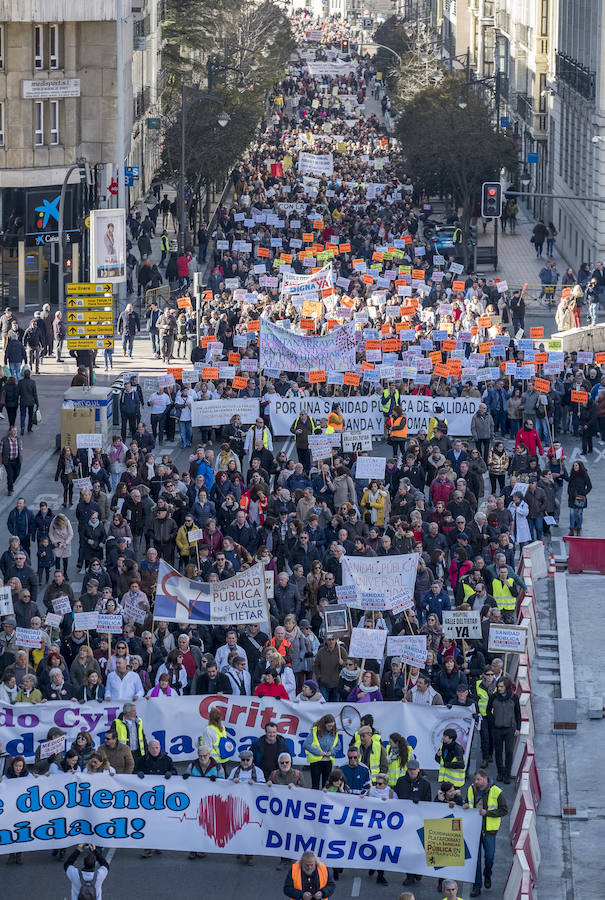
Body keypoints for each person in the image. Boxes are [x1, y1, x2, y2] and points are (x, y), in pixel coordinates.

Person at [464, 768, 508, 896]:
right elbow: (468, 803)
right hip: (474, 831)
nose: (476, 782)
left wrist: (488, 813)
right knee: (475, 861)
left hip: (489, 832)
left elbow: (504, 810)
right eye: (475, 779)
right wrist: (465, 805)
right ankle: (477, 886)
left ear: (485, 778)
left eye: (478, 779)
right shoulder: (471, 789)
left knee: (489, 857)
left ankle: (487, 874)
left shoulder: (496, 792)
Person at [486, 675, 520, 783]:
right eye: (498, 686)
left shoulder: (514, 697)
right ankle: (500, 773)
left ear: (507, 687)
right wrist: (493, 721)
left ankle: (507, 774)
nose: (499, 688)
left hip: (509, 729)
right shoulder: (493, 697)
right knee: (499, 752)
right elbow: (488, 710)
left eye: (501, 686)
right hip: (497, 729)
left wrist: (518, 728)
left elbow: (518, 713)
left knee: (509, 751)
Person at [303, 713, 339, 789]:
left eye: (332, 726)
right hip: (316, 761)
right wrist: (319, 753)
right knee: (315, 785)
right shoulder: (315, 731)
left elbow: (339, 746)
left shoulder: (334, 732)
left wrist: (331, 752)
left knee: (326, 786)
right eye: (329, 726)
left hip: (328, 761)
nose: (331, 728)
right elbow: (306, 744)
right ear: (324, 724)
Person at [567, 460, 592, 535]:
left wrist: (584, 493)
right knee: (571, 513)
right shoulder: (572, 474)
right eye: (574, 465)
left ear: (580, 466)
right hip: (572, 497)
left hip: (581, 497)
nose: (575, 467)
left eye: (576, 465)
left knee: (579, 514)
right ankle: (571, 529)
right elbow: (569, 485)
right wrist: (570, 493)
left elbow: (589, 486)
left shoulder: (584, 475)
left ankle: (578, 528)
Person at [1, 425, 23, 495]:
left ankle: (10, 484)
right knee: (10, 475)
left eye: (16, 431)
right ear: (10, 431)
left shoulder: (19, 440)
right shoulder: (4, 440)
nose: (15, 432)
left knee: (16, 474)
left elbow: (21, 450)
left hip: (17, 461)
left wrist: (21, 459)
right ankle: (10, 489)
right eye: (13, 431)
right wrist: (0, 462)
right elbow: (0, 452)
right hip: (8, 461)